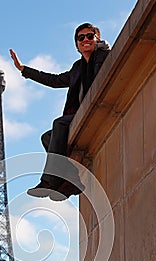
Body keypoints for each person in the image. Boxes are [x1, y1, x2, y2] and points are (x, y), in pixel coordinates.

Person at [10, 22, 110, 200]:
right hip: (81, 113)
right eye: (81, 38)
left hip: (98, 106)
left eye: (90, 36)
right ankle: (70, 179)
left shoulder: (104, 56)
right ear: (77, 45)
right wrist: (24, 70)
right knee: (47, 137)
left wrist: (102, 49)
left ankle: (49, 180)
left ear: (97, 39)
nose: (85, 40)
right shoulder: (77, 68)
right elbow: (55, 81)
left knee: (59, 123)